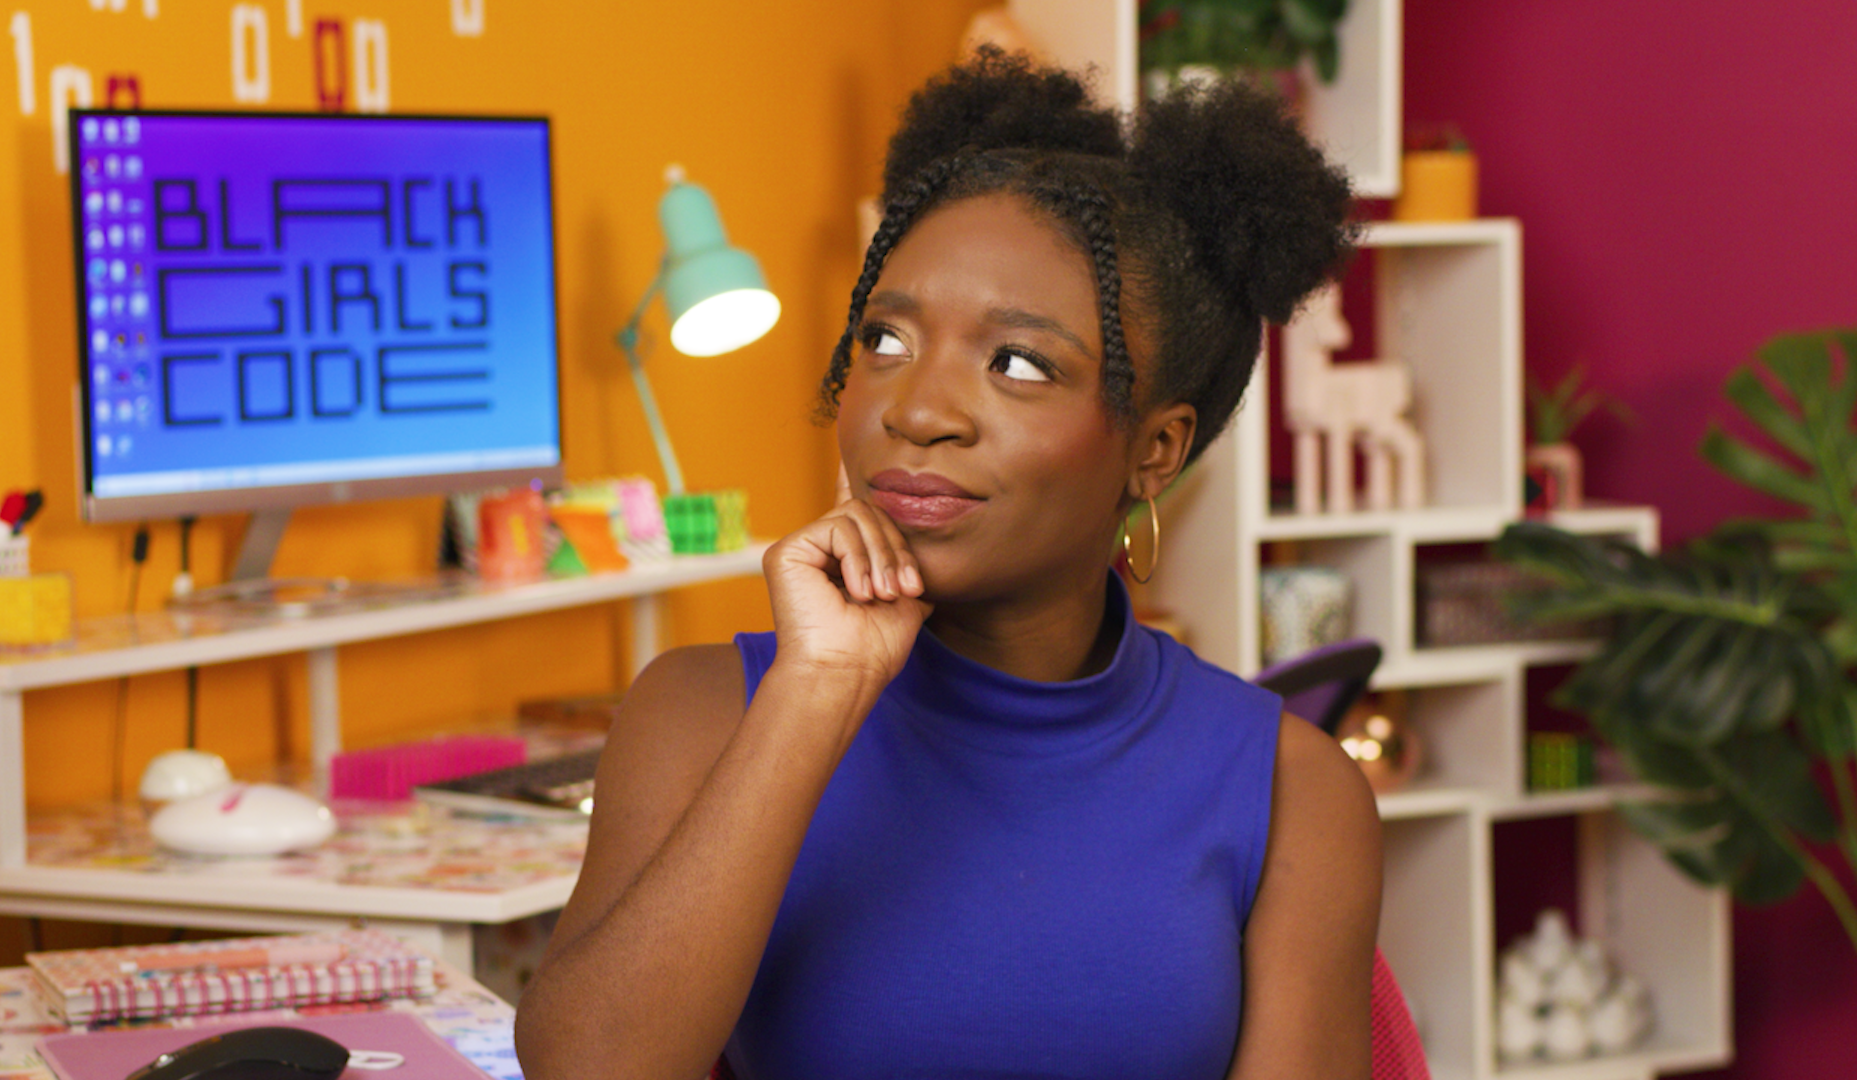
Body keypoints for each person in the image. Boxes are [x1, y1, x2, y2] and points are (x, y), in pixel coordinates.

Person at [515, 48, 1381, 1080]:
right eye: (884, 339)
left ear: (1155, 449)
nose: (917, 409)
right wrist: (816, 693)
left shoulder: (1292, 791)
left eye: (1017, 363)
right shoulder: (703, 714)